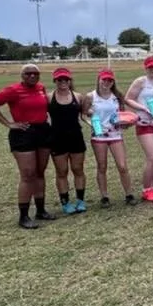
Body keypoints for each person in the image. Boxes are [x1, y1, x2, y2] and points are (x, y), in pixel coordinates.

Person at [0, 62, 56, 229]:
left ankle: (40, 210)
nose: (32, 76)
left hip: (43, 131)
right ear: (22, 75)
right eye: (28, 73)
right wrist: (9, 124)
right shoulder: (13, 90)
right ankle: (23, 216)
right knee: (28, 174)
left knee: (40, 172)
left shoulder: (41, 88)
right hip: (23, 133)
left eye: (35, 73)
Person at [88, 68, 135, 205]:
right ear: (99, 80)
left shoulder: (118, 96)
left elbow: (122, 116)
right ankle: (104, 196)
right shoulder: (91, 96)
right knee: (102, 166)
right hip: (99, 137)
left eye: (110, 80)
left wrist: (126, 123)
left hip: (115, 134)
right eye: (104, 79)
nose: (107, 82)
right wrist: (93, 125)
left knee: (122, 166)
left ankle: (129, 194)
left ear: (113, 81)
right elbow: (83, 114)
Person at [44, 67, 88, 214]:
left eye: (65, 79)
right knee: (61, 172)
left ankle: (80, 201)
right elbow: (40, 115)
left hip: (76, 137)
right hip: (57, 139)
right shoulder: (48, 97)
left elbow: (85, 115)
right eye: (59, 80)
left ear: (70, 80)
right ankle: (65, 202)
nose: (63, 82)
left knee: (78, 170)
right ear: (55, 81)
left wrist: (96, 124)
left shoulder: (78, 97)